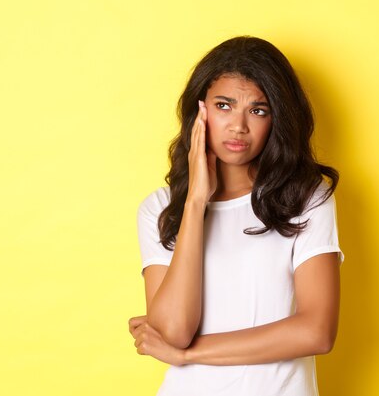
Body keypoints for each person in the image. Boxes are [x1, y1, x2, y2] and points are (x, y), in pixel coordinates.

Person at [128, 36, 343, 396]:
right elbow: (173, 330)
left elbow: (316, 331)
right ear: (200, 111)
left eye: (258, 110)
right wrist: (196, 203)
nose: (239, 126)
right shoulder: (161, 210)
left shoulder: (304, 198)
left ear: (277, 119)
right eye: (224, 105)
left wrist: (187, 354)